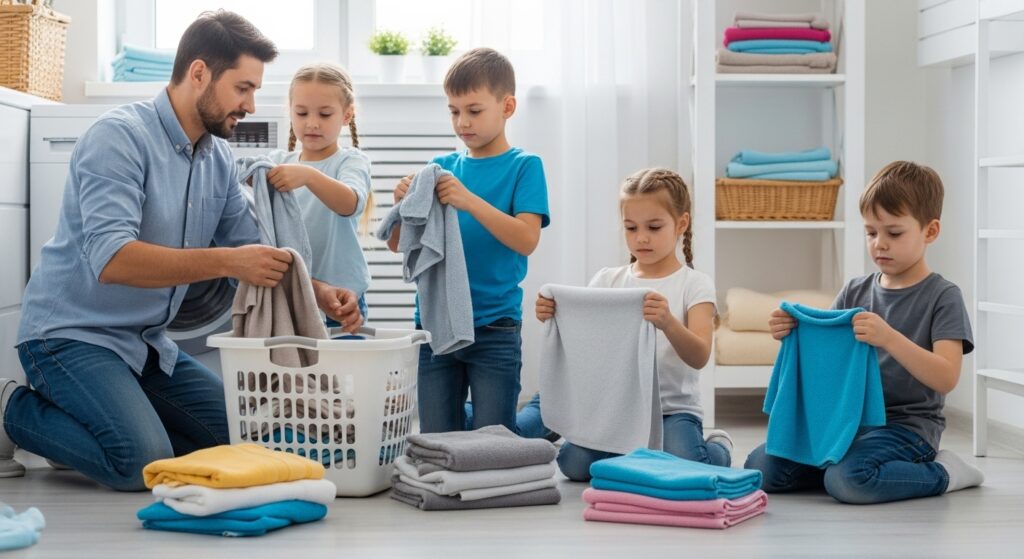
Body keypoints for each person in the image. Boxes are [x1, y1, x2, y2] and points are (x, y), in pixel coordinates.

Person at [0, 11, 362, 490]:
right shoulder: (119, 138)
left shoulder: (217, 159)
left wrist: (316, 291)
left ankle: (103, 425)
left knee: (244, 442)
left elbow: (248, 247)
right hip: (71, 335)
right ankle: (13, 409)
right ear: (199, 74)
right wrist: (228, 262)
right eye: (243, 88)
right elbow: (113, 259)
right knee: (141, 462)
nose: (251, 104)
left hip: (147, 342)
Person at [745, 161, 983, 504]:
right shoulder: (855, 291)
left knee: (849, 481)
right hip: (846, 423)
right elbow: (827, 367)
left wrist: (889, 338)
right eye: (871, 233)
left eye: (894, 233)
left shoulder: (943, 296)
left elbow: (946, 377)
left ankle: (945, 474)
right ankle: (832, 467)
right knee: (761, 469)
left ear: (930, 232)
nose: (879, 244)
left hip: (906, 428)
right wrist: (791, 332)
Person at [387, 48, 550, 435]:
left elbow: (526, 240)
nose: (462, 122)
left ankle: (542, 415)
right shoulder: (440, 169)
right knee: (440, 444)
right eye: (454, 110)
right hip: (436, 326)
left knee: (493, 444)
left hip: (495, 326)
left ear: (507, 106)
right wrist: (400, 205)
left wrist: (469, 201)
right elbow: (399, 245)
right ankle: (519, 418)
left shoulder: (524, 166)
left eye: (474, 111)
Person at [539, 168, 731, 481]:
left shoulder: (695, 284)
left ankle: (718, 447)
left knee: (685, 468)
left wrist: (668, 322)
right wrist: (553, 313)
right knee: (572, 465)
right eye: (631, 228)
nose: (641, 237)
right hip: (615, 409)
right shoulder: (607, 280)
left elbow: (699, 356)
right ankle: (634, 452)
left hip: (673, 410)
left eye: (654, 227)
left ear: (681, 224)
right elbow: (585, 342)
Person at [266, 62, 373, 323]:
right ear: (290, 112)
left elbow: (350, 202)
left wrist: (308, 175)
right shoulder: (277, 160)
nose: (312, 123)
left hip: (343, 299)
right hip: (291, 296)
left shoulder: (351, 161)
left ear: (347, 115)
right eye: (302, 113)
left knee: (345, 365)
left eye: (324, 114)